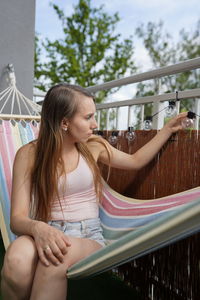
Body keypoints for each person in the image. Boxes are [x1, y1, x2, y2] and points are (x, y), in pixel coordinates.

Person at [1, 83, 187, 300]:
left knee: (54, 261)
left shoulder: (94, 146)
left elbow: (136, 161)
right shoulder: (28, 154)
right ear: (64, 123)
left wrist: (166, 130)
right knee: (16, 261)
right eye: (88, 117)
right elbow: (17, 219)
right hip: (45, 230)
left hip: (86, 234)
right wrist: (40, 229)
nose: (95, 124)